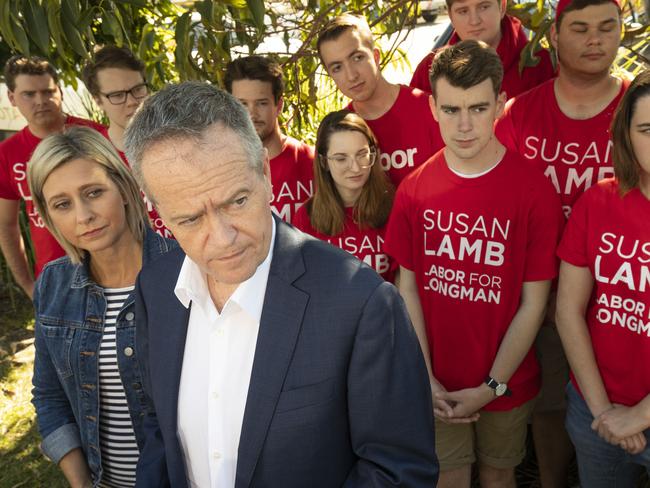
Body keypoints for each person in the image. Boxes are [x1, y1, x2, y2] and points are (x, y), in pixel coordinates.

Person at [123, 81, 438, 487]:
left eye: (236, 201)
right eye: (189, 219)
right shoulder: (155, 289)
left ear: (266, 174)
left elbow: (400, 472)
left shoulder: (361, 304)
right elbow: (157, 427)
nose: (222, 238)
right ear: (158, 212)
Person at [385, 40, 564, 488]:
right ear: (432, 107)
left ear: (501, 104)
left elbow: (534, 301)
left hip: (506, 382)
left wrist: (492, 385)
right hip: (438, 384)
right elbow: (408, 289)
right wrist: (424, 378)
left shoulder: (533, 190)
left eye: (478, 108)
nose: (464, 126)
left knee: (500, 475)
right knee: (448, 477)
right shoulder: (414, 189)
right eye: (451, 110)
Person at [495, 0, 627, 484]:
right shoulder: (518, 116)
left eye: (606, 28)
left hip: (626, 303)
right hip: (543, 299)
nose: (595, 39)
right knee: (549, 406)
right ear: (554, 35)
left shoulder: (639, 111)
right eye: (581, 29)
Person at [29, 126, 177, 488]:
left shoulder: (185, 271)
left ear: (124, 189)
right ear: (49, 216)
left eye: (93, 192)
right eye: (62, 204)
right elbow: (50, 399)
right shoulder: (53, 284)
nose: (83, 216)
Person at [556, 70, 650, 488]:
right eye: (647, 129)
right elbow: (568, 311)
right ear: (627, 135)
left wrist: (639, 417)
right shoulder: (597, 202)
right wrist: (603, 413)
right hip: (595, 408)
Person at [0, 55, 105, 298]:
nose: (41, 101)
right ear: (12, 98)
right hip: (55, 283)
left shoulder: (97, 136)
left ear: (60, 92)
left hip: (113, 271)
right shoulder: (7, 154)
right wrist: (28, 285)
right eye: (29, 94)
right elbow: (6, 225)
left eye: (48, 92)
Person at [317, 14, 444, 187]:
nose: (351, 75)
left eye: (357, 58)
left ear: (376, 56)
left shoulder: (429, 109)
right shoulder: (337, 134)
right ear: (330, 74)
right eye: (337, 67)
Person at [293, 110, 396, 282]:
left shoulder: (393, 208)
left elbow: (403, 279)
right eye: (341, 159)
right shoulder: (307, 217)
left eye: (362, 155)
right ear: (324, 162)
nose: (355, 168)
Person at [82, 45, 171, 238]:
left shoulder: (177, 140)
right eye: (117, 95)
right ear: (97, 100)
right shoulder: (92, 160)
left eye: (138, 89)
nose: (131, 101)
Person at [224, 55, 314, 224]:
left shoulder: (314, 163)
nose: (252, 114)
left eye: (262, 103)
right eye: (242, 104)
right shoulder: (221, 171)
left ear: (279, 106)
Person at [410, 0, 555, 100]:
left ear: (502, 7)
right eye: (463, 11)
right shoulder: (429, 70)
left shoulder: (541, 64)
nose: (474, 20)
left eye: (484, 7)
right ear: (451, 16)